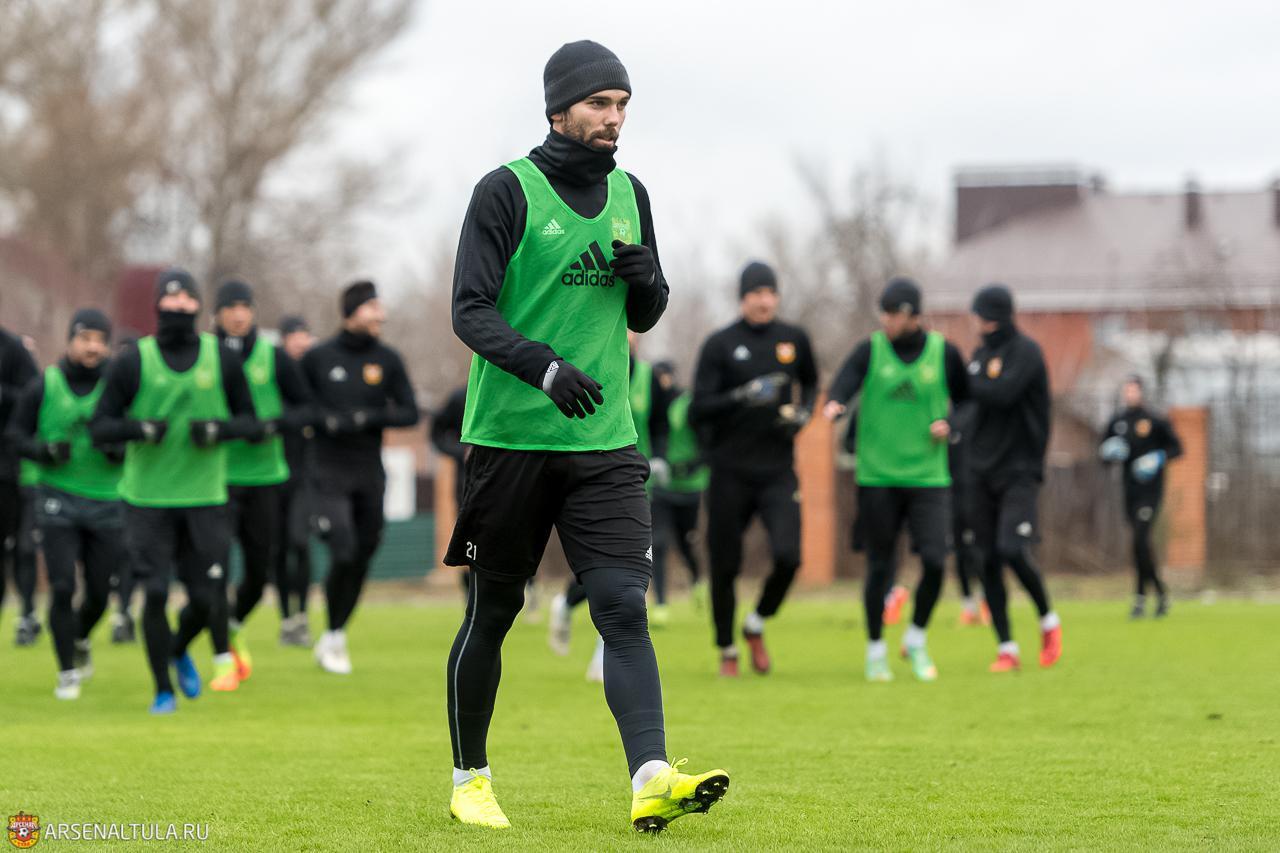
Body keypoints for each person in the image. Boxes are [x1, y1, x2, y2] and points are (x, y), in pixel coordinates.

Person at [443, 41, 728, 833]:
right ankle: (470, 779)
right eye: (600, 103)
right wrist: (543, 368)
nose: (614, 118)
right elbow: (469, 309)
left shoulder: (632, 193)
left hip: (604, 442)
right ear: (559, 108)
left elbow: (646, 312)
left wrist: (648, 283)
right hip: (512, 438)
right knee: (495, 610)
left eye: (622, 104)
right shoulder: (506, 191)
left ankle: (651, 775)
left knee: (623, 607)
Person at [91, 268, 262, 712]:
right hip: (147, 500)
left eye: (188, 299)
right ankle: (162, 690)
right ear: (157, 307)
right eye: (171, 300)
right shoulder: (133, 360)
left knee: (205, 599)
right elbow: (100, 427)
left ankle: (178, 646)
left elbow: (251, 422)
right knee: (155, 593)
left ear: (199, 307)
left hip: (205, 497)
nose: (179, 306)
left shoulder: (221, 359)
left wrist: (219, 430)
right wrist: (139, 429)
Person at [825, 278, 969, 682]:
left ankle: (916, 638)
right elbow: (844, 383)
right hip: (878, 477)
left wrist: (952, 424)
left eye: (892, 314)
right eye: (883, 313)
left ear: (912, 315)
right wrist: (836, 403)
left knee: (936, 562)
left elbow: (969, 401)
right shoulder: (870, 350)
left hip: (929, 477)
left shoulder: (943, 352)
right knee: (879, 566)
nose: (886, 320)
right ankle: (875, 650)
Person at [689, 261, 818, 677]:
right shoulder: (720, 345)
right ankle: (727, 648)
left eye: (770, 293)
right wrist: (742, 395)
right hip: (729, 471)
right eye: (756, 294)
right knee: (725, 566)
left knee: (789, 557)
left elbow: (811, 383)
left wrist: (803, 413)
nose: (765, 301)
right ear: (743, 298)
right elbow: (698, 409)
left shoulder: (793, 339)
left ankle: (756, 623)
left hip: (777, 469)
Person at [300, 281, 418, 674]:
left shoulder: (388, 359)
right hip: (327, 470)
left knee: (363, 554)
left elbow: (410, 412)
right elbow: (297, 407)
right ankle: (333, 633)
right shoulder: (318, 358)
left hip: (369, 471)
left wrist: (369, 418)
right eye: (372, 307)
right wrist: (327, 421)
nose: (380, 315)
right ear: (351, 311)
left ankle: (334, 634)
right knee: (344, 548)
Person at [7, 309, 124, 698]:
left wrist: (117, 450)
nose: (93, 347)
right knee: (61, 585)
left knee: (99, 593)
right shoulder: (45, 385)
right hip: (58, 497)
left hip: (107, 500)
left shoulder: (117, 387)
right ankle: (67, 672)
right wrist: (44, 451)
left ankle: (81, 636)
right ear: (71, 340)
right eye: (85, 338)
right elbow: (15, 436)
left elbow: (133, 434)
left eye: (100, 340)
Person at [212, 281, 313, 674]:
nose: (239, 314)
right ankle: (221, 652)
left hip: (266, 479)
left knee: (259, 573)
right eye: (230, 306)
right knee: (215, 567)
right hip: (215, 480)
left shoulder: (274, 358)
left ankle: (233, 622)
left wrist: (273, 424)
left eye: (245, 306)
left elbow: (306, 409)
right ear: (217, 313)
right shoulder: (205, 357)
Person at [966, 284, 1062, 672]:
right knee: (986, 558)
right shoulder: (979, 356)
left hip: (1020, 469)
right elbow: (970, 404)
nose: (975, 322)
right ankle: (1007, 647)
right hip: (980, 469)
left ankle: (1048, 620)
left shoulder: (1026, 353)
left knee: (1011, 548)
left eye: (978, 314)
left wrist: (965, 381)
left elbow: (1002, 393)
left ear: (991, 316)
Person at [1099, 375, 1183, 618]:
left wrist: (1158, 457)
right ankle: (1159, 593)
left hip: (1151, 491)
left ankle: (1140, 597)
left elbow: (1177, 448)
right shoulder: (1117, 421)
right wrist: (1108, 453)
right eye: (1127, 390)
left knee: (1139, 540)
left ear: (1141, 392)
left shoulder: (1155, 420)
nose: (1130, 394)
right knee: (1140, 546)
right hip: (1129, 490)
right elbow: (1102, 455)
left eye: (1134, 390)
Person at [649, 361, 707, 613]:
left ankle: (697, 580)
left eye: (665, 376)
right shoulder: (650, 405)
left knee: (686, 543)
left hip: (689, 487)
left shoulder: (688, 404)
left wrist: (694, 464)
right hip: (661, 485)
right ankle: (661, 603)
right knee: (658, 543)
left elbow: (707, 441)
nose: (662, 381)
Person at [276, 314, 317, 645]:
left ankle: (301, 615)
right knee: (277, 548)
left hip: (306, 475)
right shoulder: (273, 375)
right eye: (295, 335)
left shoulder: (315, 375)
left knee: (300, 542)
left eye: (305, 334)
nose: (301, 341)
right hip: (275, 473)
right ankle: (286, 619)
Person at [0, 320, 39, 641]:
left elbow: (35, 396)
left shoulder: (12, 348)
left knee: (23, 547)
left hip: (14, 470)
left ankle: (27, 614)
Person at [949, 401, 988, 626]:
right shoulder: (949, 418)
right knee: (960, 552)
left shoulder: (978, 413)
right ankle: (968, 606)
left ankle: (985, 600)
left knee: (978, 552)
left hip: (977, 497)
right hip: (953, 497)